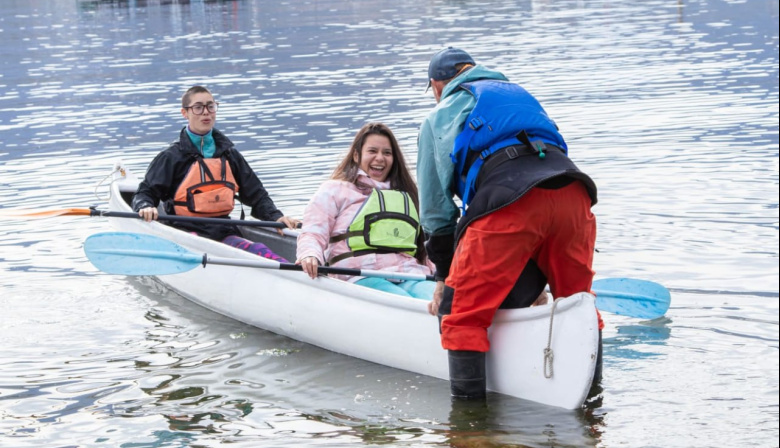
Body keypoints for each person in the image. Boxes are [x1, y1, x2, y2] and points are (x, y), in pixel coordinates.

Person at [416, 47, 600, 399]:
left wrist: (443, 275)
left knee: (461, 315)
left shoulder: (439, 115)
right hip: (573, 194)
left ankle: (470, 429)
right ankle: (593, 405)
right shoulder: (520, 94)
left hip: (510, 202)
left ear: (436, 86)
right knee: (578, 305)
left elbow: (437, 211)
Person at [132, 85, 299, 261]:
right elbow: (145, 193)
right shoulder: (171, 157)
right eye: (198, 107)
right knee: (206, 247)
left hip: (223, 231)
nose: (206, 112)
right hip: (185, 234)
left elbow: (256, 195)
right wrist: (145, 206)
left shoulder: (229, 154)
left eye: (210, 106)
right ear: (185, 113)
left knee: (259, 250)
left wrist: (276, 216)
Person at [296, 122, 435, 299]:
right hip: (359, 276)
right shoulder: (334, 190)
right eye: (372, 151)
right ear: (356, 155)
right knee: (401, 299)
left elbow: (427, 246)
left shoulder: (408, 195)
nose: (380, 158)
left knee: (444, 302)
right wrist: (310, 255)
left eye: (387, 153)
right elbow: (313, 232)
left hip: (410, 273)